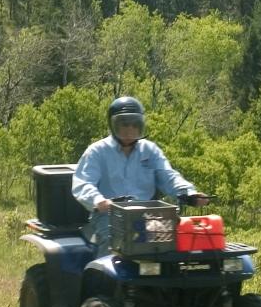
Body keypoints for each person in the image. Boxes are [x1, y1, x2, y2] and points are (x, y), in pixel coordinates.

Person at [72, 96, 208, 255]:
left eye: (135, 124)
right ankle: (103, 278)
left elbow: (168, 176)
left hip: (147, 215)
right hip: (109, 215)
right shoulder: (97, 151)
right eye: (124, 124)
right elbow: (83, 183)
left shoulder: (150, 150)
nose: (130, 129)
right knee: (113, 244)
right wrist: (98, 200)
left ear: (141, 126)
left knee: (173, 243)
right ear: (112, 124)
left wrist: (189, 193)